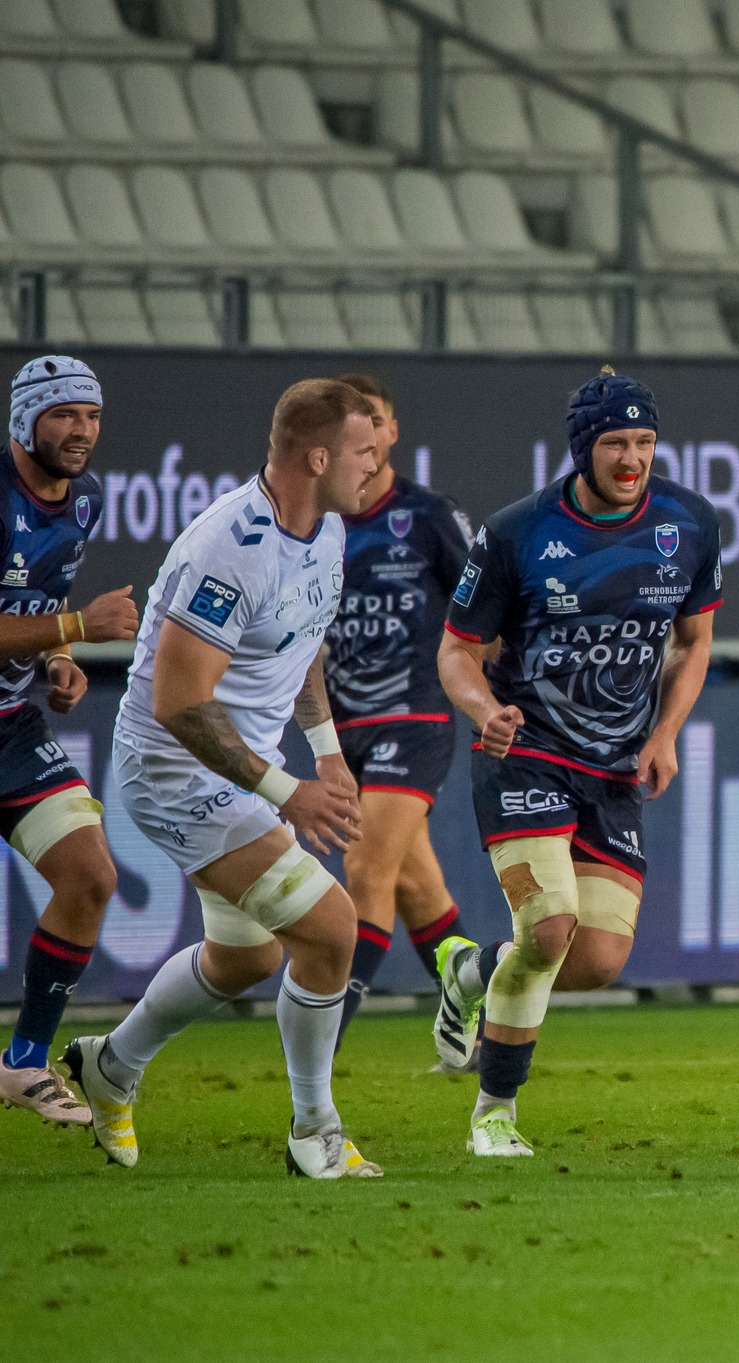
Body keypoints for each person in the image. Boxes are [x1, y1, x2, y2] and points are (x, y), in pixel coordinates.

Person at [64, 379, 382, 1178]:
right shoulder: (231, 547)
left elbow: (304, 641)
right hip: (172, 767)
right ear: (318, 458)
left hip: (242, 765)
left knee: (247, 958)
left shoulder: (327, 529)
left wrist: (327, 751)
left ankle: (111, 1065)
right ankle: (315, 1129)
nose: (378, 465)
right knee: (331, 928)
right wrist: (287, 791)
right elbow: (178, 702)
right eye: (365, 450)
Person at [433, 367, 719, 1158]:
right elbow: (456, 651)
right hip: (525, 751)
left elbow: (694, 642)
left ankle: (471, 973)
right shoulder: (518, 532)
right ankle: (494, 1114)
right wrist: (483, 710)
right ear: (583, 448)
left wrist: (664, 734)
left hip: (616, 766)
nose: (633, 459)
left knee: (593, 960)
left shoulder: (689, 522)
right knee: (550, 925)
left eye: (645, 441)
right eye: (616, 443)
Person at [0, 357, 140, 1126]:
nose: (82, 430)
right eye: (63, 414)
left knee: (89, 876)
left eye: (91, 414)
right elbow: (60, 612)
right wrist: (81, 627)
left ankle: (24, 1062)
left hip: (10, 726)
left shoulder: (85, 500)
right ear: (25, 420)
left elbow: (39, 602)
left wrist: (58, 658)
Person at [322, 373, 477, 1051]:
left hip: (415, 717)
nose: (368, 434)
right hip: (342, 727)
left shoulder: (428, 515)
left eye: (377, 420)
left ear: (392, 430)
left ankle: (317, 1050)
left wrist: (491, 691)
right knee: (417, 887)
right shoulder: (316, 521)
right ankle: (480, 1019)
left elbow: (485, 607)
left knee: (366, 874)